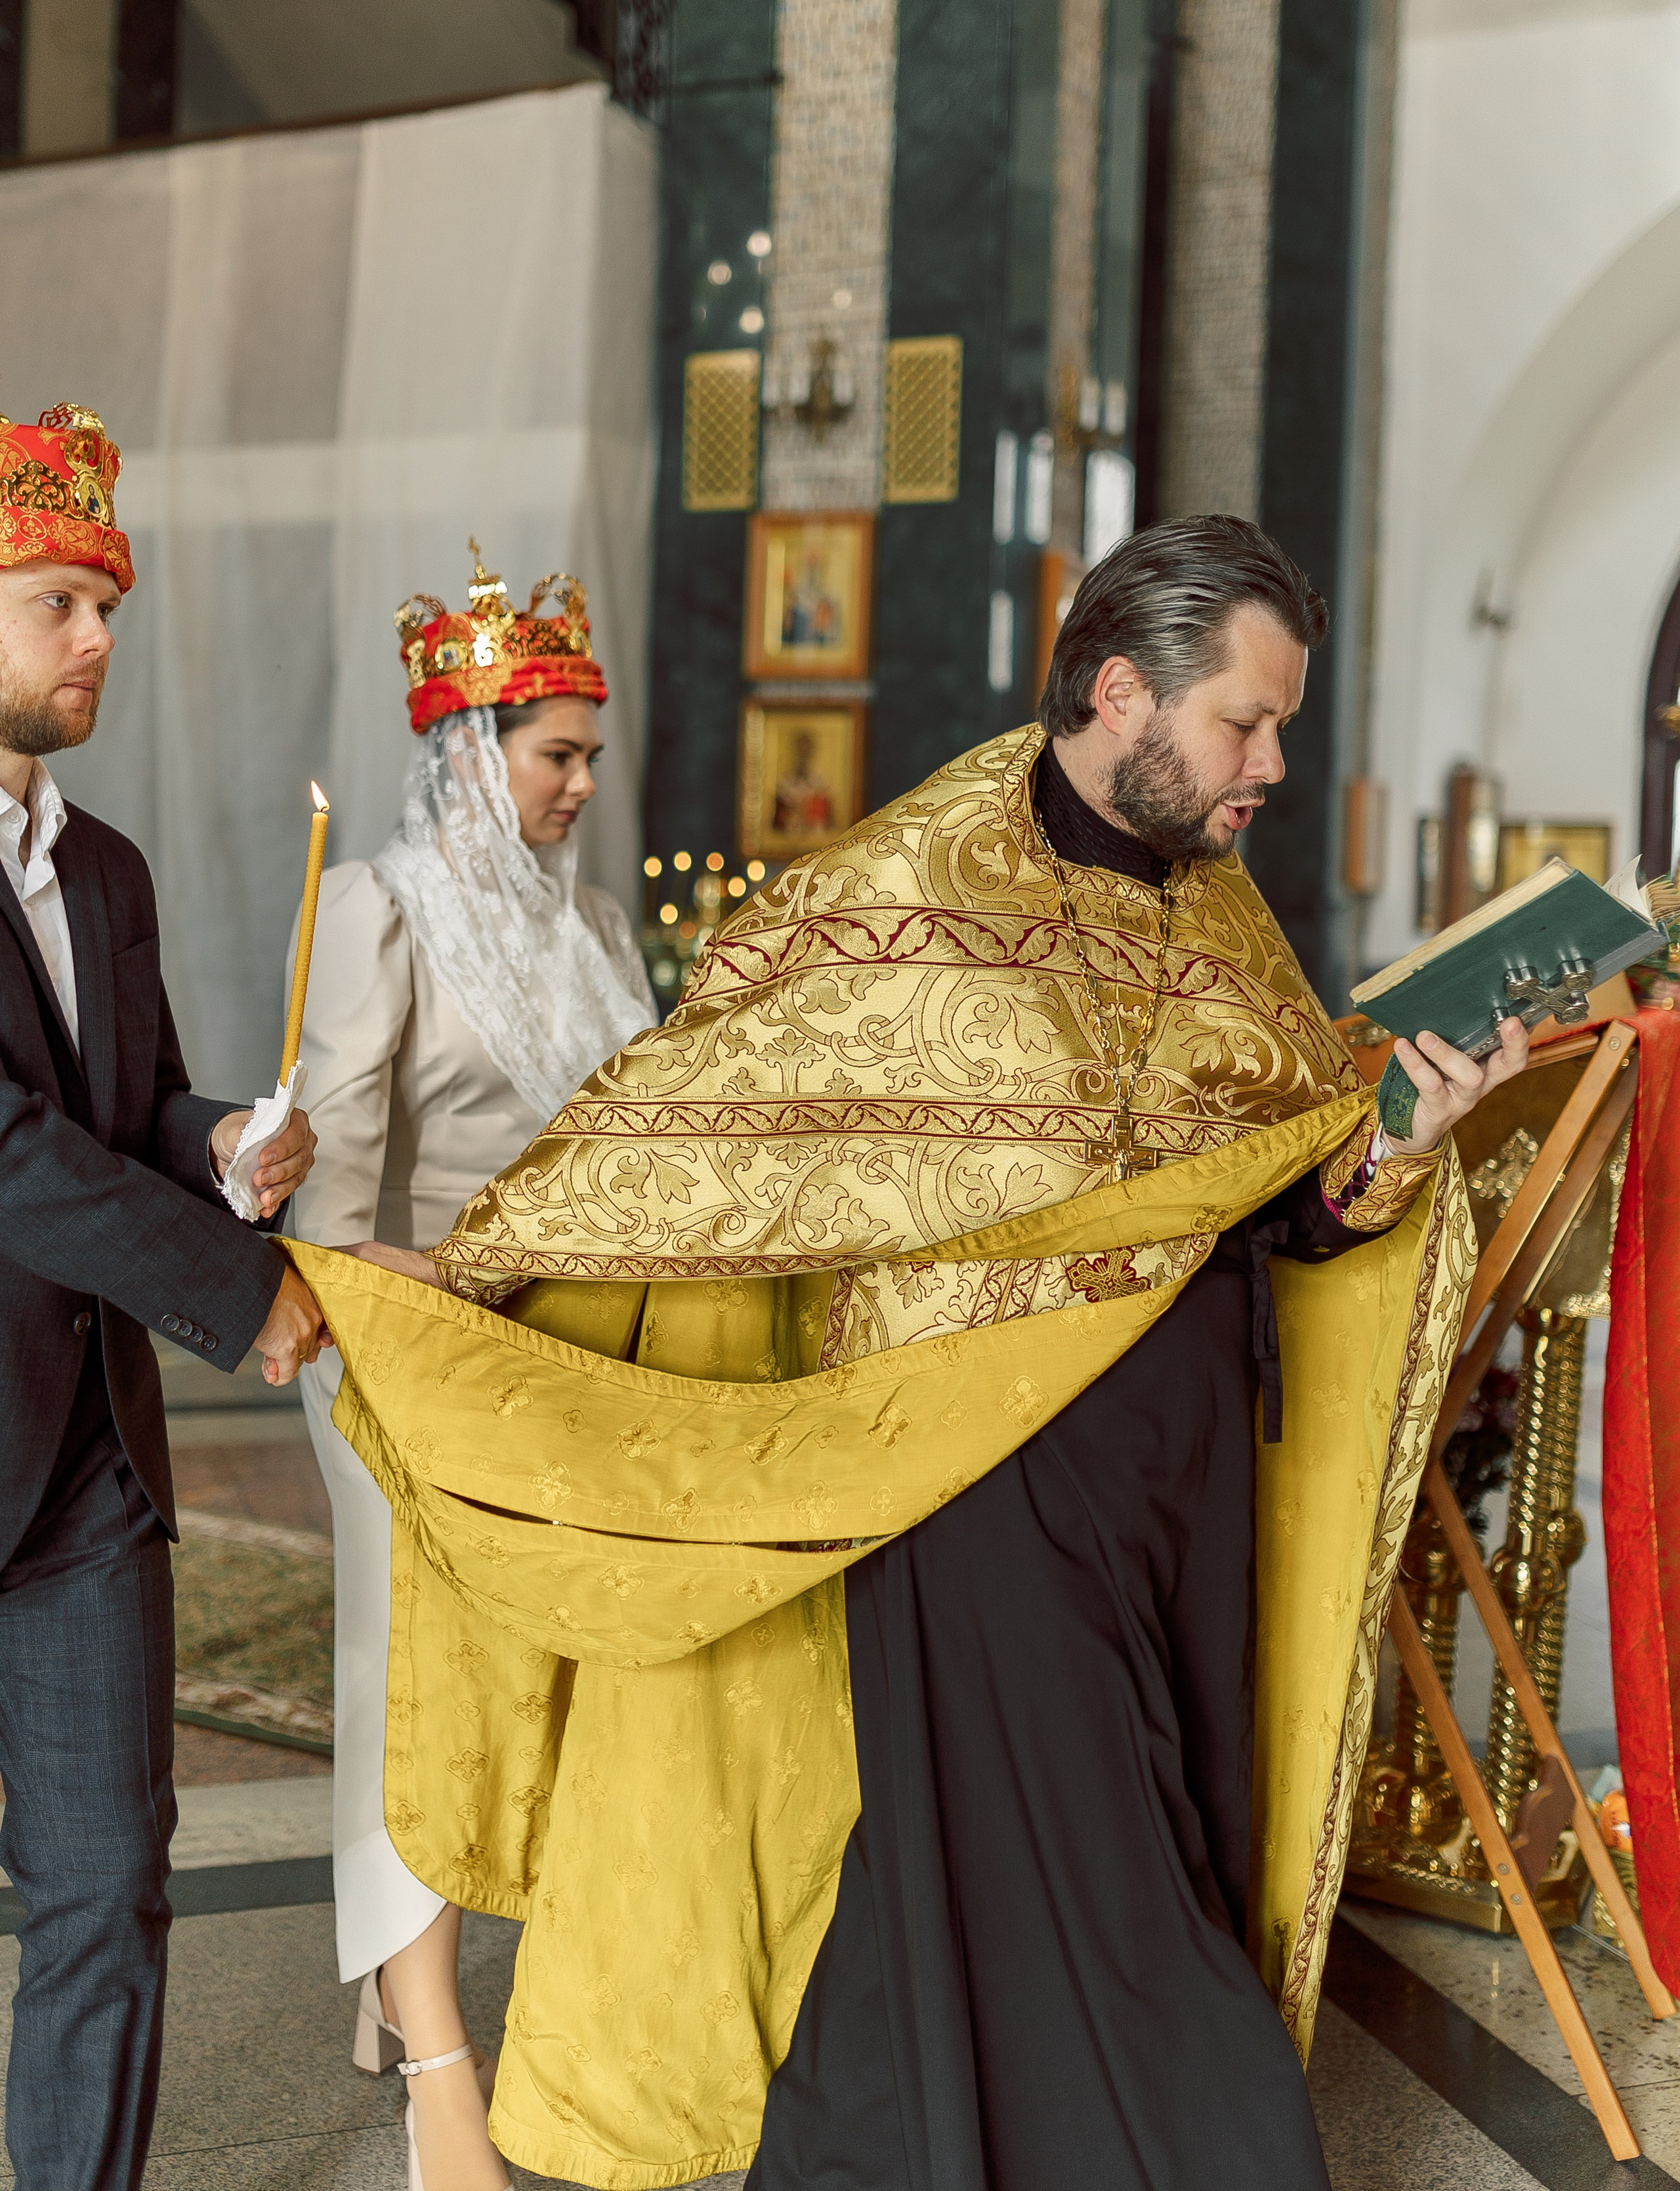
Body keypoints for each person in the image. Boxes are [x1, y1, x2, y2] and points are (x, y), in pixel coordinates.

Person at [296, 517, 1524, 2189]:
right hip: (972, 1468)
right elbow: (705, 1110)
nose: (1270, 763)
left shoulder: (1225, 914)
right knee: (1109, 1882)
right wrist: (474, 1260)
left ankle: (878, 2147)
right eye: (1244, 721)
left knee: (1068, 1851)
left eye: (1279, 723)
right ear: (1118, 692)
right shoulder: (914, 878)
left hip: (1182, 1483)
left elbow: (1282, 1187)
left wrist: (1387, 1144)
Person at [290, 545, 653, 2191]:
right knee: (405, 1692)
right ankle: (439, 2061)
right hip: (398, 1350)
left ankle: (416, 1986)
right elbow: (333, 1184)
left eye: (589, 755)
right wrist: (440, 1291)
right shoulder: (380, 905)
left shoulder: (585, 934)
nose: (581, 784)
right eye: (554, 754)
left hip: (554, 1361)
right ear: (468, 749)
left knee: (550, 1695)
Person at [0, 402, 324, 2191]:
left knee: (110, 1900)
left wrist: (227, 1149)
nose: (99, 634)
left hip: (87, 1489)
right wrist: (239, 1287)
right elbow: (12, 1157)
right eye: (58, 600)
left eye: (106, 602)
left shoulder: (105, 872)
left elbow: (124, 1114)